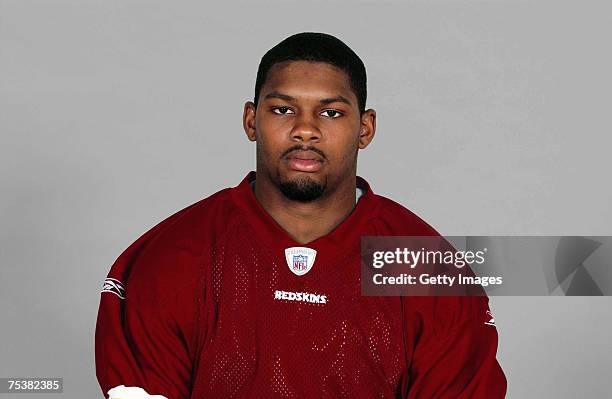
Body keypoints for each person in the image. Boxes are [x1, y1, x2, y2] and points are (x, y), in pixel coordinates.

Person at [95, 32, 507, 398]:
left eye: (331, 112)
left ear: (365, 128)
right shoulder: (173, 258)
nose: (305, 130)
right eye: (282, 110)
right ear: (251, 120)